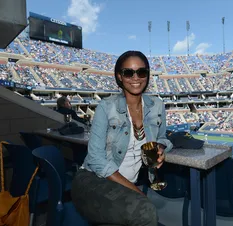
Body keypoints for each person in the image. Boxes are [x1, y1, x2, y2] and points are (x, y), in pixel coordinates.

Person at [71, 50, 173, 226]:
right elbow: (96, 159)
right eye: (128, 72)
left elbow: (163, 136)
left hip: (125, 186)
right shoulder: (106, 107)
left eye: (141, 72)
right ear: (119, 77)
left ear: (147, 75)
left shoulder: (157, 106)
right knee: (145, 210)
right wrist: (135, 191)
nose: (136, 78)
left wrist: (161, 148)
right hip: (93, 181)